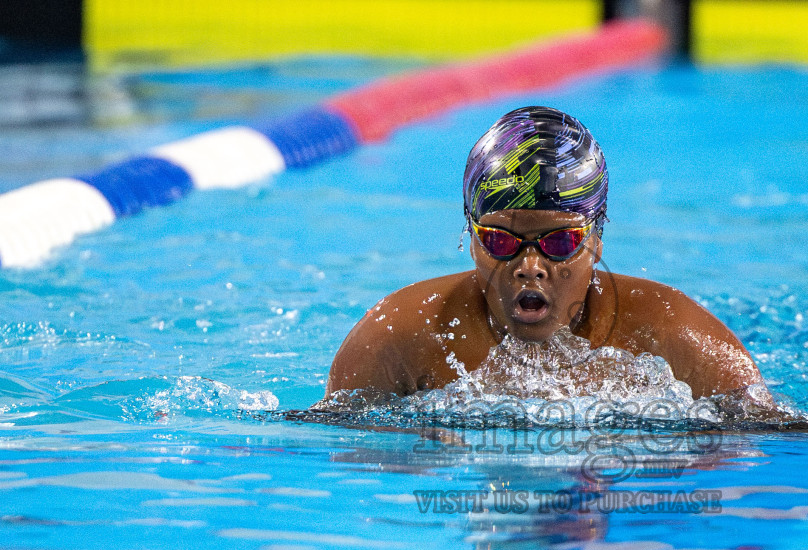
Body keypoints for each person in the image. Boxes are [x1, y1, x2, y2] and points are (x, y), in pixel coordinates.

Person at [322, 105, 767, 402]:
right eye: (501, 240)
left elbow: (776, 449)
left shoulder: (676, 337)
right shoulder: (398, 338)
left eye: (559, 243)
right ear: (472, 239)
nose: (530, 267)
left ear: (595, 241)